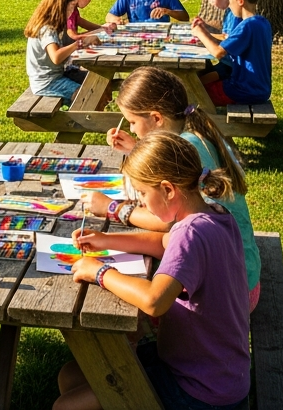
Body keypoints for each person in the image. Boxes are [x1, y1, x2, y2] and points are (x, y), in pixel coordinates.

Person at [55, 132, 250, 410]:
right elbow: (161, 242)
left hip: (201, 390)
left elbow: (154, 301)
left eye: (143, 194)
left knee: (67, 406)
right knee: (71, 375)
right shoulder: (213, 214)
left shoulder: (191, 232)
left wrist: (100, 272)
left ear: (168, 189)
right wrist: (106, 240)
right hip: (212, 371)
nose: (142, 203)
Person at [86, 66, 261, 307]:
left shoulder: (183, 149)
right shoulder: (192, 131)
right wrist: (136, 149)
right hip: (244, 272)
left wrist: (113, 208)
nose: (132, 129)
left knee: (130, 299)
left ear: (157, 118)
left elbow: (164, 221)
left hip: (230, 293)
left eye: (133, 122)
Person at [191, 0, 272, 107]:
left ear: (240, 1)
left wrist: (200, 33)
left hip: (244, 90)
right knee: (201, 85)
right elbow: (226, 44)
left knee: (193, 92)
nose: (229, 5)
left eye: (230, 0)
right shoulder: (263, 22)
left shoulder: (246, 26)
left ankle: (209, 127)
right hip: (260, 89)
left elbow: (219, 53)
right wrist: (205, 33)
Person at [24, 0, 104, 104]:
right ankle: (82, 122)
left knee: (97, 83)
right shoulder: (47, 29)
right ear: (60, 6)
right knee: (87, 97)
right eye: (71, 6)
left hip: (54, 76)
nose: (72, 11)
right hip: (48, 83)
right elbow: (56, 57)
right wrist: (79, 44)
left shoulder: (49, 25)